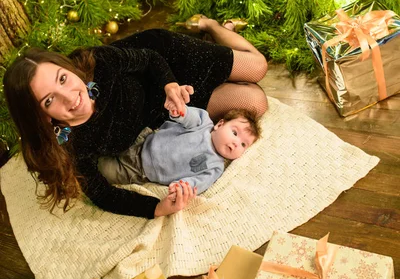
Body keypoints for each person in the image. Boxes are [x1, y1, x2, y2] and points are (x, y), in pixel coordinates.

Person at [3, 17, 268, 219]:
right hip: (164, 116)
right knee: (256, 102)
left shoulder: (98, 64)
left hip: (165, 72)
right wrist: (157, 208)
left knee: (258, 67)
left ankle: (212, 26)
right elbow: (103, 195)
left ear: (69, 69)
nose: (70, 96)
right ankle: (216, 47)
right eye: (49, 100)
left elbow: (151, 58)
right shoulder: (68, 144)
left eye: (63, 78)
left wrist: (169, 85)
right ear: (41, 116)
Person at [97, 105, 262, 196]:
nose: (235, 142)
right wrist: (180, 112)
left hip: (138, 171)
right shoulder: (203, 123)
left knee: (104, 170)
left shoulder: (215, 167)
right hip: (142, 140)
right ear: (219, 124)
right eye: (234, 133)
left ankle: (84, 161)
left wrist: (183, 186)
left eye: (243, 144)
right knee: (111, 137)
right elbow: (189, 116)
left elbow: (198, 183)